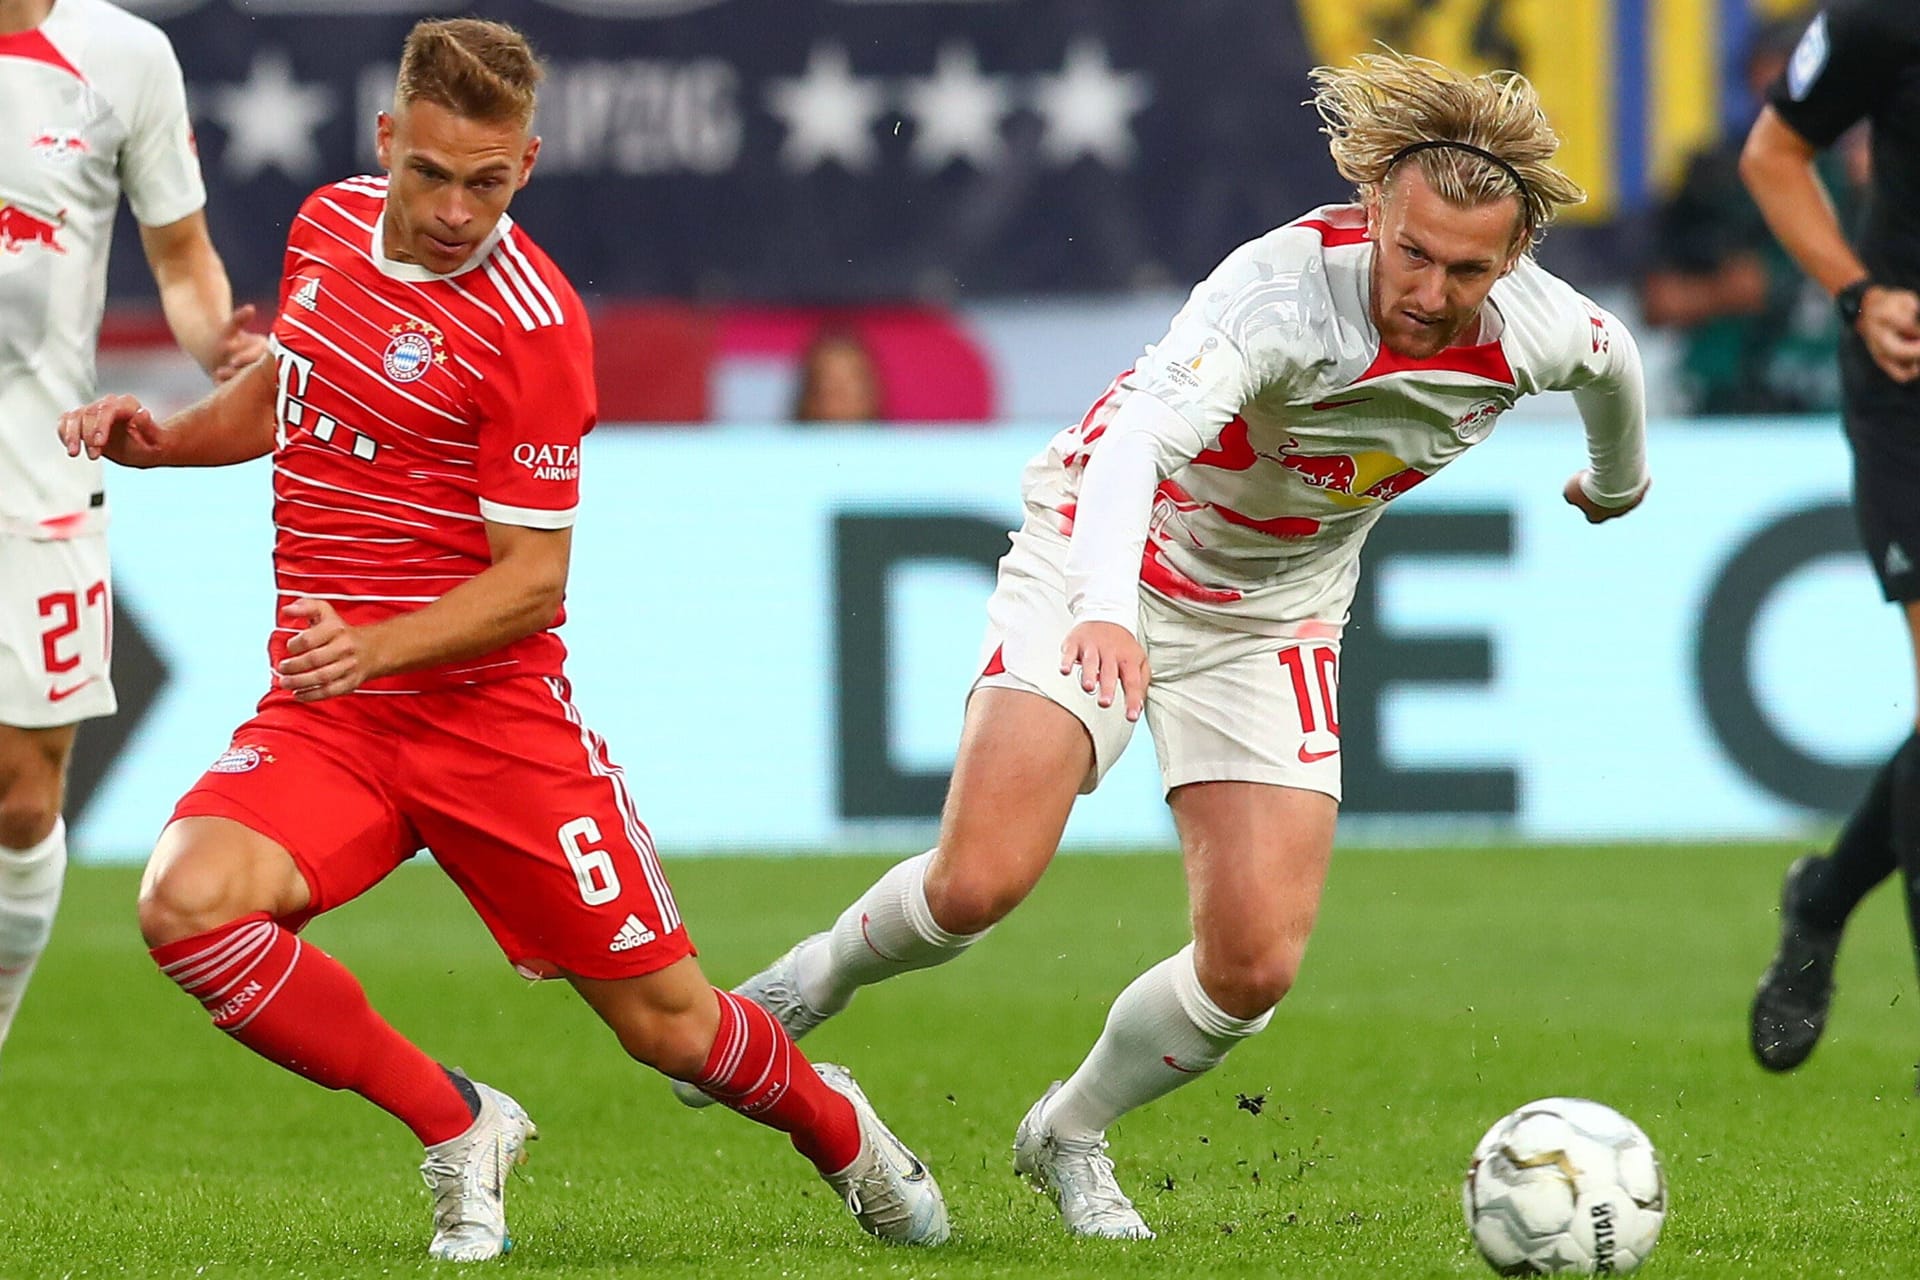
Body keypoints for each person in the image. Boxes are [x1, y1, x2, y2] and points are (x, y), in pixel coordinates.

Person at [676, 49, 1649, 1239]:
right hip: (1108, 554)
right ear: (1375, 213)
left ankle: (1067, 1132)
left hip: (1274, 610)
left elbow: (1614, 367)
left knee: (1252, 968)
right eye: (1413, 252)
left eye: (1467, 268)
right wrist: (1100, 606)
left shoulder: (1545, 329)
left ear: (1512, 260)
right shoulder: (1277, 295)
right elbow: (1135, 445)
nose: (1432, 289)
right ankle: (808, 982)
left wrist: (1617, 483)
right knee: (978, 883)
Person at [56, 18, 946, 1259]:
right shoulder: (324, 228)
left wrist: (375, 644)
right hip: (337, 720)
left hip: (493, 723)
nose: (456, 208)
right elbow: (285, 389)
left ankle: (834, 1122)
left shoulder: (535, 328)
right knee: (187, 905)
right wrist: (165, 437)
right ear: (387, 143)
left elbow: (534, 583)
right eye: (430, 173)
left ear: (525, 165)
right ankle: (459, 1119)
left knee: (672, 1029)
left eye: (487, 180)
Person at [0, 0, 263, 1069]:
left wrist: (219, 347)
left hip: (40, 467)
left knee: (22, 795)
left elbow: (182, 250)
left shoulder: (125, 57)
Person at [1743, 2, 1920, 1078]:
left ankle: (1825, 891)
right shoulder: (1879, 20)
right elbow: (1774, 153)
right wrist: (1858, 294)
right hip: (1911, 381)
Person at [1639, 20, 1865, 416]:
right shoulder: (1712, 175)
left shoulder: (1855, 177)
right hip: (1723, 391)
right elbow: (1659, 298)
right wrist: (1720, 292)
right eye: (1767, 75)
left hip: (1827, 388)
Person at [792, 326, 884, 423]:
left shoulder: (893, 436)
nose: (840, 390)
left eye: (850, 379)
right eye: (829, 380)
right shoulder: (785, 436)